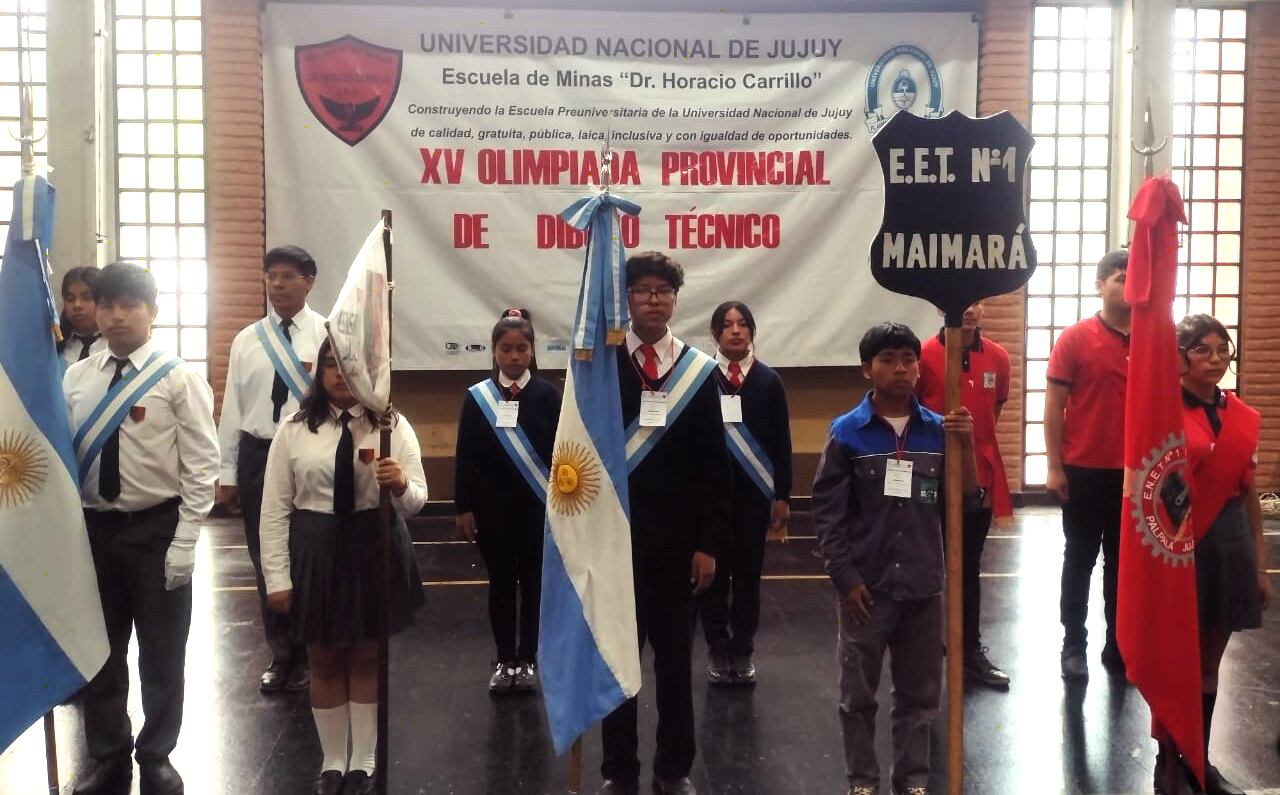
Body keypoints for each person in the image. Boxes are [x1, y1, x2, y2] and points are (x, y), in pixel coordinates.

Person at [64, 262, 220, 795]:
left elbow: (202, 465)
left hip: (156, 529)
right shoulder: (77, 377)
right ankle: (108, 754)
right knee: (99, 649)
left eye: (129, 305)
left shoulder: (178, 377)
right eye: (106, 305)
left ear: (153, 312)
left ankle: (157, 751)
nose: (115, 316)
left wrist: (186, 540)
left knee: (161, 648)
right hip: (92, 533)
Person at [812, 321, 981, 795]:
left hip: (924, 589)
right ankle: (862, 782)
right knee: (857, 697)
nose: (901, 368)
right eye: (887, 360)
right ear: (867, 369)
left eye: (908, 359)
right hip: (866, 591)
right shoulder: (847, 434)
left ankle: (912, 782)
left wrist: (964, 444)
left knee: (920, 698)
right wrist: (845, 579)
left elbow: (967, 501)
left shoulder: (940, 430)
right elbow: (827, 515)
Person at [259, 338, 427, 795]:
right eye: (330, 365)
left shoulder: (391, 424)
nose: (339, 374)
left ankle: (364, 758)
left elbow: (417, 502)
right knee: (325, 656)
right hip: (316, 549)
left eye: (348, 366)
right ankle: (333, 760)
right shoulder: (295, 429)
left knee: (368, 654)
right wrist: (277, 577)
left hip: (373, 547)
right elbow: (274, 509)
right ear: (320, 373)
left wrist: (400, 485)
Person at [599, 252, 730, 795]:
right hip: (615, 542)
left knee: (676, 665)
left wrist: (707, 544)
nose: (653, 298)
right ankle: (619, 770)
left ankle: (673, 767)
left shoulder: (698, 372)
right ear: (626, 299)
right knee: (618, 667)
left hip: (678, 546)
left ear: (676, 300)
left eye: (663, 290)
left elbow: (712, 464)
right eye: (642, 289)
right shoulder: (599, 367)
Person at [1154, 315, 1272, 795]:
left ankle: (1197, 764)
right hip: (1180, 545)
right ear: (1180, 355)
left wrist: (1259, 565)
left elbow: (1248, 494)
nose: (1218, 359)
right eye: (1204, 350)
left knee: (1208, 662)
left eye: (1224, 349)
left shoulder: (1240, 414)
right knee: (1173, 661)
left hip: (1229, 544)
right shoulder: (1162, 412)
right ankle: (1168, 760)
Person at [217, 245, 326, 693]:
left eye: (287, 276)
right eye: (270, 276)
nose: (277, 284)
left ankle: (312, 649)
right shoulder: (247, 340)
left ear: (309, 281)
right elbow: (233, 410)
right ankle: (282, 655)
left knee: (308, 555)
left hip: (309, 455)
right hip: (258, 455)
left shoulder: (328, 334)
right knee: (266, 559)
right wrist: (227, 474)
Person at [454, 308, 560, 693]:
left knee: (534, 585)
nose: (514, 357)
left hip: (537, 510)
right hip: (491, 510)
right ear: (494, 352)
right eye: (506, 349)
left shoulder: (548, 395)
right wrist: (463, 506)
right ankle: (504, 659)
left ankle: (528, 659)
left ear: (532, 351)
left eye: (522, 349)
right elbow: (465, 453)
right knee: (500, 583)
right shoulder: (478, 397)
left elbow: (559, 453)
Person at [915, 301, 1013, 689]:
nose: (968, 309)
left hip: (980, 476)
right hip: (930, 474)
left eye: (976, 303)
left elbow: (997, 407)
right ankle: (926, 647)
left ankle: (969, 650)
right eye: (962, 303)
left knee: (968, 566)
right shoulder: (923, 355)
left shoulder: (999, 358)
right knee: (926, 563)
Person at [1045, 249, 1131, 681]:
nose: (1127, 283)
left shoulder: (1155, 341)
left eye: (1134, 276)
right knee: (1079, 557)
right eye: (1118, 277)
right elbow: (1055, 406)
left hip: (1134, 475)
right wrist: (1055, 466)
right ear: (1099, 285)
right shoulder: (1075, 338)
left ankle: (1118, 642)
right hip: (1083, 469)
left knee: (1123, 563)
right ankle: (1073, 644)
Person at [700, 300, 792, 686]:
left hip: (754, 500)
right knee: (713, 578)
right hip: (710, 500)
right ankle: (717, 647)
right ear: (715, 334)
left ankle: (743, 648)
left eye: (742, 324)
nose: (735, 330)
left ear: (752, 330)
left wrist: (782, 496)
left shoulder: (769, 381)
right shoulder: (702, 379)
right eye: (727, 324)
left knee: (748, 578)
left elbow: (780, 442)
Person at [58, 265, 106, 368]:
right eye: (70, 299)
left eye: (87, 298)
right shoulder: (53, 348)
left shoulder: (118, 346)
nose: (77, 305)